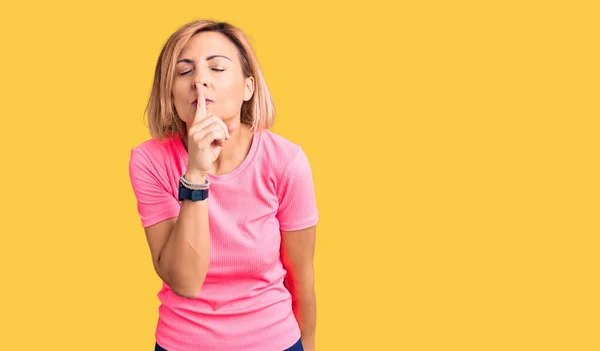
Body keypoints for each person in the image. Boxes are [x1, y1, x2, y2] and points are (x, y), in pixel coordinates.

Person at [128, 19, 319, 351]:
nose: (200, 80)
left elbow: (301, 276)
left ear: (248, 87)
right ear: (170, 92)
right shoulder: (149, 162)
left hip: (276, 342)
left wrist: (310, 343)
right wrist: (196, 174)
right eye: (184, 72)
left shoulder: (286, 160)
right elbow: (185, 281)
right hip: (181, 344)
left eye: (216, 68)